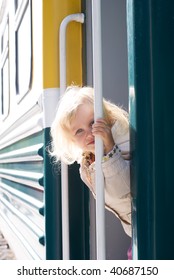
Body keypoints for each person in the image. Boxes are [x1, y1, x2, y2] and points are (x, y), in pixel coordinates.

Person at [50, 86, 132, 257]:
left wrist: (110, 149)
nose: (90, 133)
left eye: (93, 122)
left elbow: (122, 191)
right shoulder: (88, 163)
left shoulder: (123, 143)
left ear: (107, 117)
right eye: (79, 131)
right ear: (72, 140)